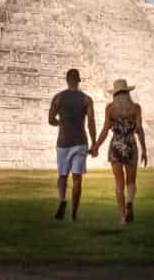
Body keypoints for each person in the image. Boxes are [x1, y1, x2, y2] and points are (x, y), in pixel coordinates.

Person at [91, 78, 147, 225]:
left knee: (118, 184)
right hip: (130, 145)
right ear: (127, 92)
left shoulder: (110, 109)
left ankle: (123, 218)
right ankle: (129, 201)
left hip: (116, 145)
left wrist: (96, 145)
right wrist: (144, 149)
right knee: (131, 181)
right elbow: (139, 130)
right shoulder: (135, 108)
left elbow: (105, 130)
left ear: (115, 94)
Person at [48, 68, 96, 221]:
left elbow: (50, 119)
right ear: (79, 80)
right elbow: (91, 122)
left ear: (67, 80)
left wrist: (61, 123)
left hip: (63, 142)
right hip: (80, 142)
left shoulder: (58, 98)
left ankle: (62, 200)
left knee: (62, 175)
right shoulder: (86, 99)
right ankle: (74, 214)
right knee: (77, 179)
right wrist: (94, 143)